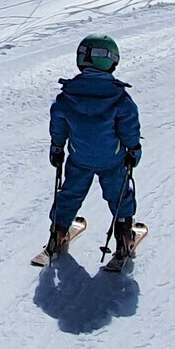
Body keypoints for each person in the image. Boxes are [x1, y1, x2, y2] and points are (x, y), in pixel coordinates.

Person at [46, 33, 142, 262]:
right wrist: (133, 150)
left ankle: (57, 233)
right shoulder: (119, 97)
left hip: (79, 157)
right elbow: (129, 128)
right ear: (111, 61)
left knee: (70, 193)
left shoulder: (67, 96)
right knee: (119, 194)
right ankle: (123, 237)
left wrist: (57, 148)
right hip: (112, 159)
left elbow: (58, 125)